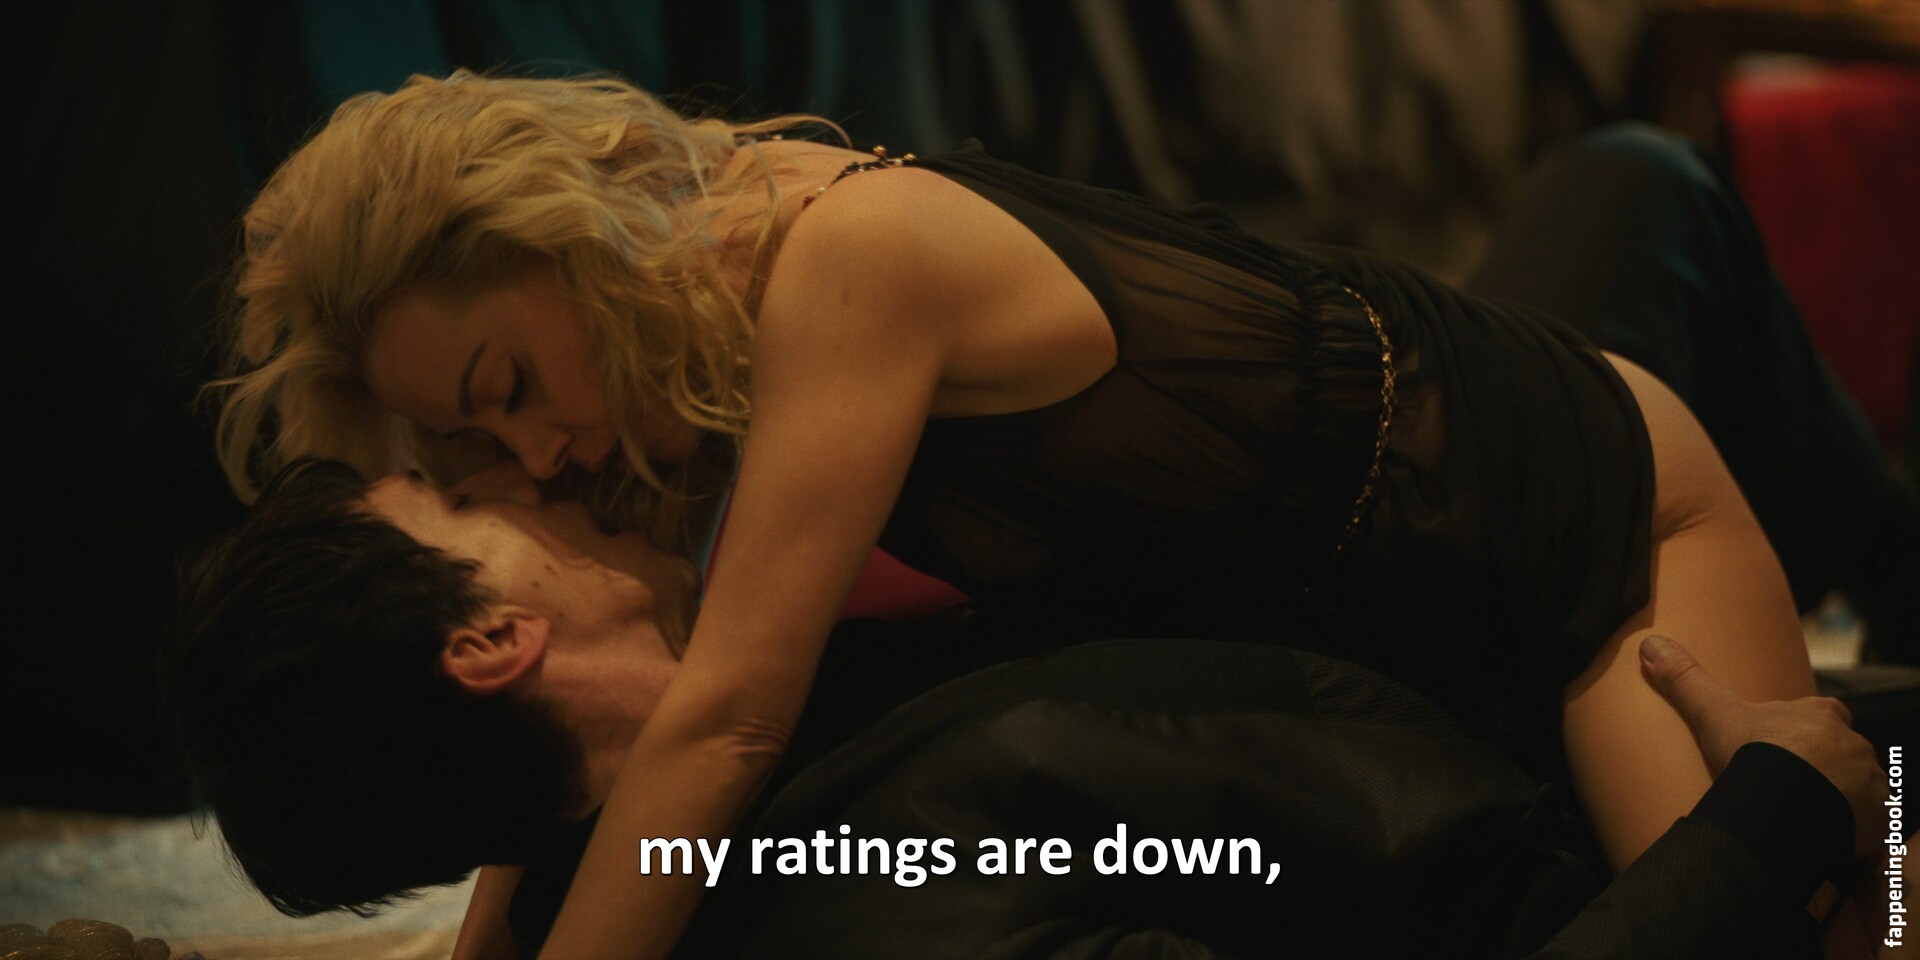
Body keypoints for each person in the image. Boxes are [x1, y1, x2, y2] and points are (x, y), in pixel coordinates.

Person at [206, 71, 1917, 956]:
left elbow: (719, 724)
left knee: (1853, 906)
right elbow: (524, 730)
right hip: (1376, 613)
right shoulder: (646, 359)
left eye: (508, 388)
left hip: (1568, 525)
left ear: (548, 232)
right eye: (475, 448)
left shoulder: (832, 268)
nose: (536, 459)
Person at [161, 458, 1883, 959]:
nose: (534, 477)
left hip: (1517, 683)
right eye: (469, 498)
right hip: (1694, 848)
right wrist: (1770, 828)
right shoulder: (881, 901)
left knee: (1628, 217)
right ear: (490, 640)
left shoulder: (650, 815)